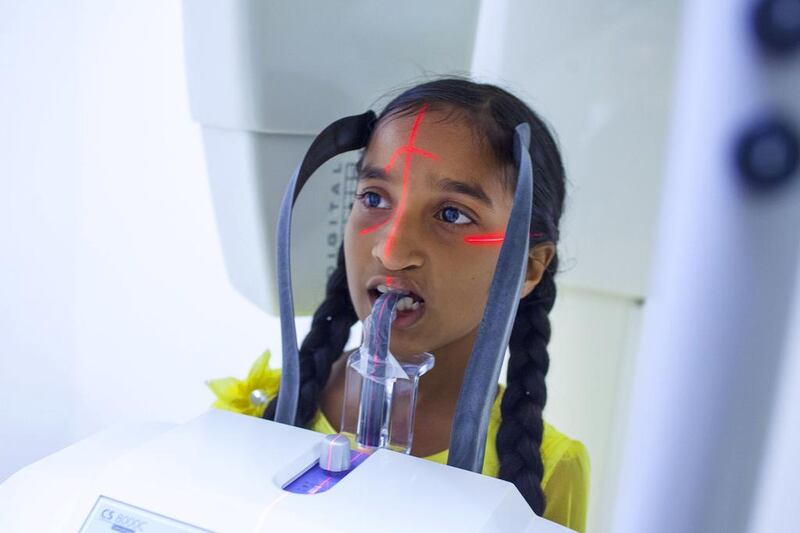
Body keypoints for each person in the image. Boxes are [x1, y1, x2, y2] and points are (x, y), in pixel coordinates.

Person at [208, 77, 590, 532]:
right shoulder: (250, 413)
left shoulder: (551, 468)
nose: (390, 251)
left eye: (451, 214)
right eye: (374, 198)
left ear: (528, 267)